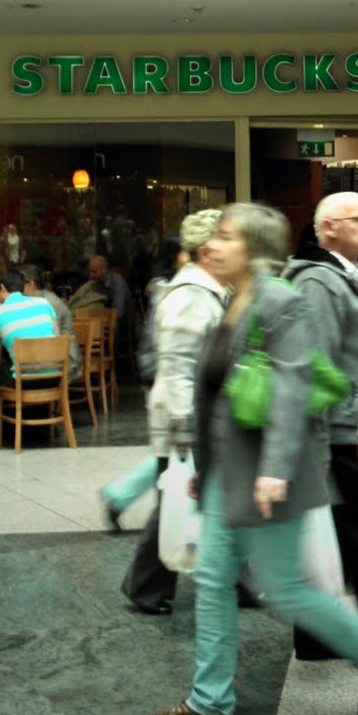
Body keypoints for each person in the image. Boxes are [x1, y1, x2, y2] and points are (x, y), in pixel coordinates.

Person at [152, 203, 358, 715]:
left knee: (286, 589)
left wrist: (275, 468)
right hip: (226, 473)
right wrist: (201, 465)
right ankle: (210, 700)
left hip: (267, 475)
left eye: (227, 236)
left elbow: (291, 386)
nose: (213, 244)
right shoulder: (237, 298)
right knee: (212, 580)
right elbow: (220, 396)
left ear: (253, 248)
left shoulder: (278, 298)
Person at [283, 192, 358, 661]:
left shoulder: (351, 273)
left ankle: (316, 637)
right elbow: (313, 363)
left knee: (341, 533)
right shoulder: (318, 282)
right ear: (329, 227)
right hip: (340, 433)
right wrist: (319, 441)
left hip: (351, 427)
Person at [106, 210, 226, 615]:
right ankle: (145, 586)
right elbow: (177, 369)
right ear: (207, 251)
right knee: (174, 500)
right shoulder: (191, 295)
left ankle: (238, 579)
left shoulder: (209, 289)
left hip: (198, 418)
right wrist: (186, 431)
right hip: (183, 420)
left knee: (198, 497)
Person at [0, 269, 77, 384]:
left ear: (2, 287)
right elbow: (56, 339)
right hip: (55, 377)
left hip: (24, 382)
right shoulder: (44, 303)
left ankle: (15, 401)